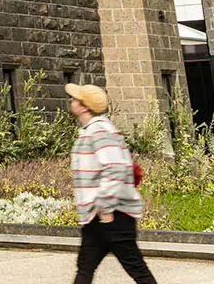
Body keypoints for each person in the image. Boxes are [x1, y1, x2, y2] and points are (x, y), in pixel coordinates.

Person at [66, 83, 157, 284]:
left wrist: (105, 207)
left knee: (136, 269)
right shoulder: (90, 130)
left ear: (84, 106)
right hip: (97, 216)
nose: (70, 100)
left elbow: (115, 168)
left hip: (112, 216)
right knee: (85, 268)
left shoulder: (100, 130)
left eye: (74, 98)